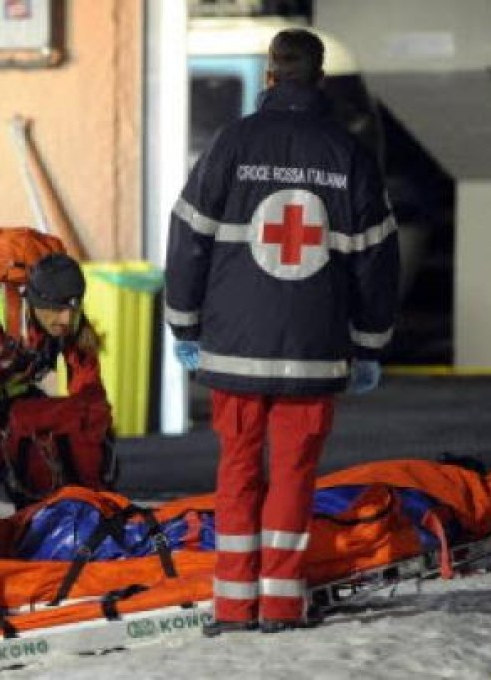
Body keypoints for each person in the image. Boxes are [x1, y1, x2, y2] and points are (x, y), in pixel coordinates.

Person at [164, 29, 400, 635]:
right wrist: (370, 342)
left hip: (235, 348)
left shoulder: (231, 144)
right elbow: (377, 258)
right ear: (319, 79)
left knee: (237, 468)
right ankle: (281, 605)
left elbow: (189, 237)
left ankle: (234, 606)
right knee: (295, 473)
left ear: (270, 76)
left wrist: (183, 323)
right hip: (315, 351)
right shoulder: (348, 155)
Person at [0, 252, 115, 506]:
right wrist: (1, 459)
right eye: (57, 310)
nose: (66, 320)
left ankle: (46, 525)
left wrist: (92, 446)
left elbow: (89, 396)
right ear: (35, 303)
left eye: (73, 308)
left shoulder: (71, 321)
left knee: (50, 453)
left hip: (10, 393)